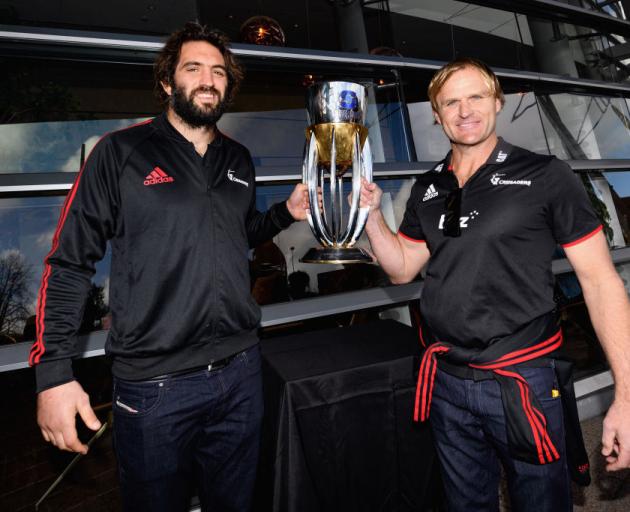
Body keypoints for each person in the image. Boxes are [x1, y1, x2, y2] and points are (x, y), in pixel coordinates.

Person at [30, 22, 309, 512]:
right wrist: (53, 372)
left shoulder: (238, 159)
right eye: (194, 68)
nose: (208, 79)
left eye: (219, 72)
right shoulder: (119, 154)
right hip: (155, 390)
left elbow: (237, 232)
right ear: (167, 82)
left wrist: (286, 212)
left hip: (241, 375)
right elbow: (71, 262)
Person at [360, 57, 630, 511]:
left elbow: (601, 281)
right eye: (451, 102)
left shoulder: (546, 175)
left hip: (523, 378)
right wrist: (369, 215)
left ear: (497, 102)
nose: (465, 110)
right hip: (447, 380)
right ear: (436, 112)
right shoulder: (428, 188)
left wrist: (626, 394)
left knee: (541, 502)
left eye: (476, 97)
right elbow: (403, 267)